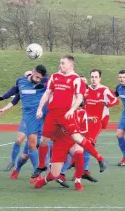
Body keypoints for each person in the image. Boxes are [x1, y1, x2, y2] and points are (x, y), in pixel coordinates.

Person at [32, 55, 106, 186]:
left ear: (70, 65)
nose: (60, 65)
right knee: (43, 140)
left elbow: (79, 98)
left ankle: (99, 158)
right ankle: (42, 165)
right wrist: (39, 109)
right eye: (60, 63)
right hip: (52, 114)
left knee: (78, 139)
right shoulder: (55, 77)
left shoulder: (76, 79)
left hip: (66, 114)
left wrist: (72, 110)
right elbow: (47, 93)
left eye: (63, 63)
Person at [0, 65, 48, 183]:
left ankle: (46, 169)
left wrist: (44, 84)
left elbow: (53, 84)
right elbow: (13, 93)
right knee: (27, 152)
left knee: (44, 145)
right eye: (37, 77)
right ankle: (26, 170)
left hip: (43, 117)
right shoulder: (21, 81)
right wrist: (1, 98)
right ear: (33, 72)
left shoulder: (45, 81)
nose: (38, 79)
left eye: (41, 78)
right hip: (30, 118)